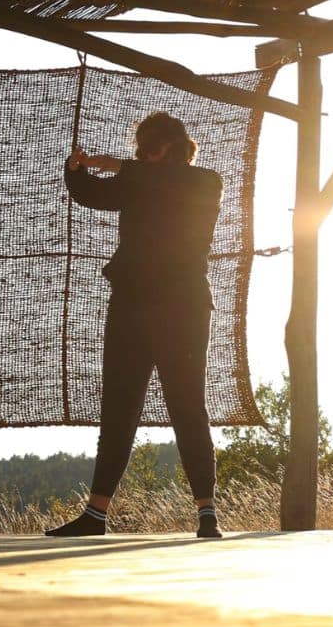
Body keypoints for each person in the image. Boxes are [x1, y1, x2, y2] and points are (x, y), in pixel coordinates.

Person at [46, 112, 225, 540]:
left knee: (186, 405)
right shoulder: (138, 181)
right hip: (130, 305)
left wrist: (124, 166)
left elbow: (165, 182)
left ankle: (207, 513)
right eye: (138, 148)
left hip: (182, 308)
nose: (141, 154)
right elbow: (92, 194)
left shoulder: (203, 182)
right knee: (119, 407)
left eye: (149, 147)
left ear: (174, 147)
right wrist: (75, 172)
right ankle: (95, 515)